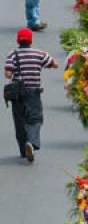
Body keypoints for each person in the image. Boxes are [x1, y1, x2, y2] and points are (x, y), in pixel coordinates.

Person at [4, 28, 58, 162]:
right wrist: (48, 65)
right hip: (33, 92)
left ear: (18, 40)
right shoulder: (39, 53)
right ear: (30, 40)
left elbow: (8, 74)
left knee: (19, 121)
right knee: (35, 119)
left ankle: (23, 151)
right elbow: (54, 64)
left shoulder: (13, 54)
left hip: (17, 94)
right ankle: (31, 142)